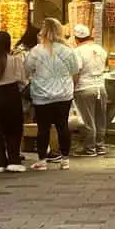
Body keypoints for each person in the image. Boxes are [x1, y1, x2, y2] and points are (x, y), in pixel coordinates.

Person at [24, 18, 79, 171]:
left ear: (43, 31)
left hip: (42, 94)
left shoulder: (36, 51)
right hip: (64, 94)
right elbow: (75, 70)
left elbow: (27, 69)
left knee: (43, 128)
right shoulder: (67, 51)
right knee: (62, 125)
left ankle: (42, 161)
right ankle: (65, 159)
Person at [0, 32, 26, 172]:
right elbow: (23, 81)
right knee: (14, 128)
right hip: (12, 95)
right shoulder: (15, 60)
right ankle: (14, 159)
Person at [71, 25, 108, 157]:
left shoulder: (77, 52)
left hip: (84, 88)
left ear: (76, 38)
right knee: (100, 119)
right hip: (100, 87)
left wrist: (72, 87)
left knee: (88, 120)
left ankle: (89, 148)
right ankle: (100, 146)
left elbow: (77, 72)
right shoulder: (100, 49)